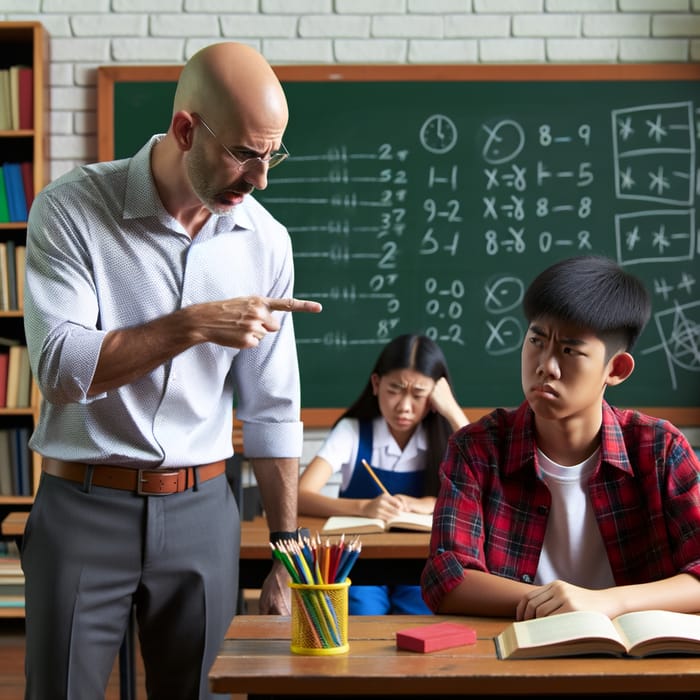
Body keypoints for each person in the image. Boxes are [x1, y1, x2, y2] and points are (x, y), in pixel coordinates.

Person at [21, 42, 322, 700]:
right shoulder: (72, 211)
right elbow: (60, 370)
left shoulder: (265, 241)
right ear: (186, 130)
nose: (261, 177)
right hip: (81, 506)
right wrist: (192, 324)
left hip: (203, 511)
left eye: (272, 155)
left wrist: (287, 553)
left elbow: (273, 409)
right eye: (246, 153)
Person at [421, 255, 700, 622]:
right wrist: (561, 603)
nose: (545, 366)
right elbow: (447, 578)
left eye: (569, 351)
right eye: (536, 340)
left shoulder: (659, 448)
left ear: (615, 369)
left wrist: (610, 603)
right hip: (516, 660)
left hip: (635, 665)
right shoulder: (477, 447)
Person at [298, 333, 468, 614]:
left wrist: (452, 410)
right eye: (395, 389)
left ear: (436, 396)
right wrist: (365, 507)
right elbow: (301, 496)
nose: (404, 406)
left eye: (418, 394)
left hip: (423, 564)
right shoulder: (352, 431)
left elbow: (486, 487)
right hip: (358, 563)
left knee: (420, 616)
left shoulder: (443, 436)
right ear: (376, 384)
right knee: (362, 613)